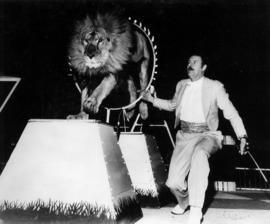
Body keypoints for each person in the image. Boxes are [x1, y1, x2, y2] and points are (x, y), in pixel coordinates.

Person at [143, 55, 248, 224]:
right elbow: (172, 105)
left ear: (204, 67)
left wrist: (242, 136)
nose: (189, 65)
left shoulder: (214, 87)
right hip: (184, 136)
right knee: (173, 182)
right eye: (188, 62)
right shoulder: (181, 84)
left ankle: (196, 209)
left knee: (200, 155)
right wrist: (152, 100)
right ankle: (184, 201)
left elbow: (231, 112)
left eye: (194, 62)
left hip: (207, 134)